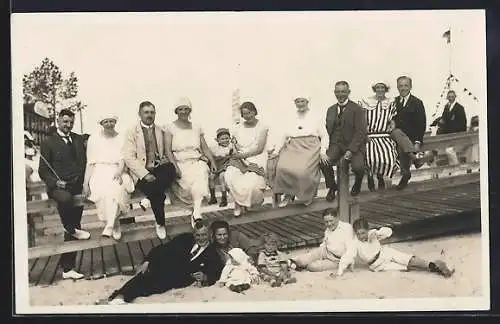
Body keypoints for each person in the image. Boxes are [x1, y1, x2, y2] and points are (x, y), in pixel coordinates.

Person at [104, 220, 224, 304]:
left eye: (204, 235)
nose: (201, 238)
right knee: (145, 274)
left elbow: (216, 272)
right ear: (194, 234)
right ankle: (120, 296)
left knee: (150, 285)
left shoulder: (212, 253)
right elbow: (163, 249)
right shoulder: (185, 239)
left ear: (209, 235)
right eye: (198, 235)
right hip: (165, 265)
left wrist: (205, 277)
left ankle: (121, 296)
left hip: (179, 277)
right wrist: (147, 261)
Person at [38, 109, 90, 280]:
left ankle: (67, 268)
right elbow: (43, 171)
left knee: (76, 223)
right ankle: (70, 229)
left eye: (70, 122)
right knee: (69, 210)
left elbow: (83, 162)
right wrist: (54, 182)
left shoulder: (78, 139)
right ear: (58, 121)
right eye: (65, 121)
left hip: (76, 186)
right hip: (59, 188)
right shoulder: (48, 142)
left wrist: (83, 183)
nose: (68, 125)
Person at [122, 101, 177, 240]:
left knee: (171, 168)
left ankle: (147, 198)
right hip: (141, 172)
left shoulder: (161, 130)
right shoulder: (131, 132)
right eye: (146, 112)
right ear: (139, 114)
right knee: (158, 195)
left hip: (158, 169)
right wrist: (145, 174)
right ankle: (160, 223)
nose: (149, 115)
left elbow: (166, 151)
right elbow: (129, 157)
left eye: (152, 112)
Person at [164, 97, 217, 227]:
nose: (183, 112)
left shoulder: (197, 127)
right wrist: (175, 167)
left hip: (195, 161)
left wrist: (213, 162)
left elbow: (204, 147)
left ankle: (197, 212)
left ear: (190, 111)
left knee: (202, 171)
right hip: (179, 163)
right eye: (180, 109)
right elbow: (167, 150)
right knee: (188, 186)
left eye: (186, 109)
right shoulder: (170, 127)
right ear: (176, 111)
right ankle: (195, 211)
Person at [82, 114, 134, 240]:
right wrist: (85, 183)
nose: (109, 124)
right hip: (99, 171)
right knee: (104, 190)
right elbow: (90, 163)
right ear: (101, 123)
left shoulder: (122, 137)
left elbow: (123, 158)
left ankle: (110, 225)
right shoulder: (94, 139)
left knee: (116, 188)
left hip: (117, 169)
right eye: (106, 122)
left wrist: (119, 171)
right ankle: (115, 224)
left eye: (112, 121)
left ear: (115, 122)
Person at [273, 96, 329, 207]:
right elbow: (284, 135)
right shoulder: (291, 117)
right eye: (297, 101)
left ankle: (308, 195)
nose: (300, 104)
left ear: (307, 101)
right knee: (282, 167)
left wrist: (323, 151)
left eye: (302, 101)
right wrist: (276, 151)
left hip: (310, 147)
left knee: (303, 171)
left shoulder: (315, 116)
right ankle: (288, 195)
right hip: (293, 146)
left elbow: (324, 135)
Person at [351, 218, 454, 277]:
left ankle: (435, 265)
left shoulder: (372, 234)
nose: (361, 236)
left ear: (367, 230)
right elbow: (350, 254)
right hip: (376, 266)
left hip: (385, 253)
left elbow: (388, 232)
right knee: (405, 268)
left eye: (363, 233)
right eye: (358, 234)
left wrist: (377, 233)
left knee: (407, 259)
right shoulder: (355, 242)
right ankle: (435, 267)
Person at [224, 102, 269, 216]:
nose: (247, 116)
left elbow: (259, 149)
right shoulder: (238, 128)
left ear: (255, 112)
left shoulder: (262, 127)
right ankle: (238, 203)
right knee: (229, 175)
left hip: (256, 158)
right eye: (244, 114)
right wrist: (235, 149)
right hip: (240, 158)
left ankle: (250, 202)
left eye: (249, 113)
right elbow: (235, 145)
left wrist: (242, 156)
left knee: (250, 183)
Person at [358, 82, 400, 191]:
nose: (380, 89)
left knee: (389, 157)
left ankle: (380, 175)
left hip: (384, 135)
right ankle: (371, 176)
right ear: (374, 89)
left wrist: (392, 125)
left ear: (386, 89)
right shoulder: (366, 102)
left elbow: (393, 119)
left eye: (382, 87)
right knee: (371, 156)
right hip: (370, 135)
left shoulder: (390, 102)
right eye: (378, 87)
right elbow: (360, 119)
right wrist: (364, 133)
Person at [328, 81, 368, 196]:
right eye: (338, 92)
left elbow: (361, 132)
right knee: (324, 162)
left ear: (348, 92)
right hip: (336, 144)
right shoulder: (331, 110)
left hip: (353, 145)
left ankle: (358, 183)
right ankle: (332, 187)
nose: (340, 95)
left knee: (358, 167)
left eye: (343, 92)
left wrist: (351, 150)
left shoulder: (357, 109)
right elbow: (328, 130)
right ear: (335, 93)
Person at [290, 208, 356, 276]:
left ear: (337, 218)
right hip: (326, 251)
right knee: (309, 255)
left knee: (312, 266)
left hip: (336, 259)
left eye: (331, 221)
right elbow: (325, 242)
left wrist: (344, 265)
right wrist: (318, 252)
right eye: (326, 222)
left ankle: (299, 265)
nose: (329, 224)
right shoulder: (328, 229)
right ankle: (292, 262)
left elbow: (350, 250)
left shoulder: (347, 228)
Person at [391, 76, 427, 190]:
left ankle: (405, 174)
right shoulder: (393, 102)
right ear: (397, 87)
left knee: (403, 145)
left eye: (406, 85)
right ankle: (415, 159)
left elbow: (421, 124)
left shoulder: (417, 103)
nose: (403, 88)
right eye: (400, 85)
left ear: (410, 86)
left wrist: (417, 141)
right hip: (395, 135)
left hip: (409, 139)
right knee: (396, 132)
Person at [436, 90, 467, 166]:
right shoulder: (446, 107)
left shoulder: (460, 108)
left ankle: (457, 167)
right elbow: (443, 120)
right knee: (443, 151)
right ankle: (452, 169)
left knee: (449, 151)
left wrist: (459, 135)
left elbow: (463, 123)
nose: (450, 98)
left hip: (457, 136)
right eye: (449, 97)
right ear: (447, 97)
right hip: (447, 136)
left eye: (452, 96)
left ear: (455, 97)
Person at [207, 128, 235, 207]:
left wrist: (234, 144)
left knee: (222, 177)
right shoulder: (214, 148)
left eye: (227, 138)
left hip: (226, 166)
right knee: (211, 177)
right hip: (217, 166)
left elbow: (235, 155)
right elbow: (208, 154)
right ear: (217, 140)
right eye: (222, 139)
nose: (225, 140)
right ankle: (213, 197)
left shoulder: (231, 147)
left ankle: (224, 198)